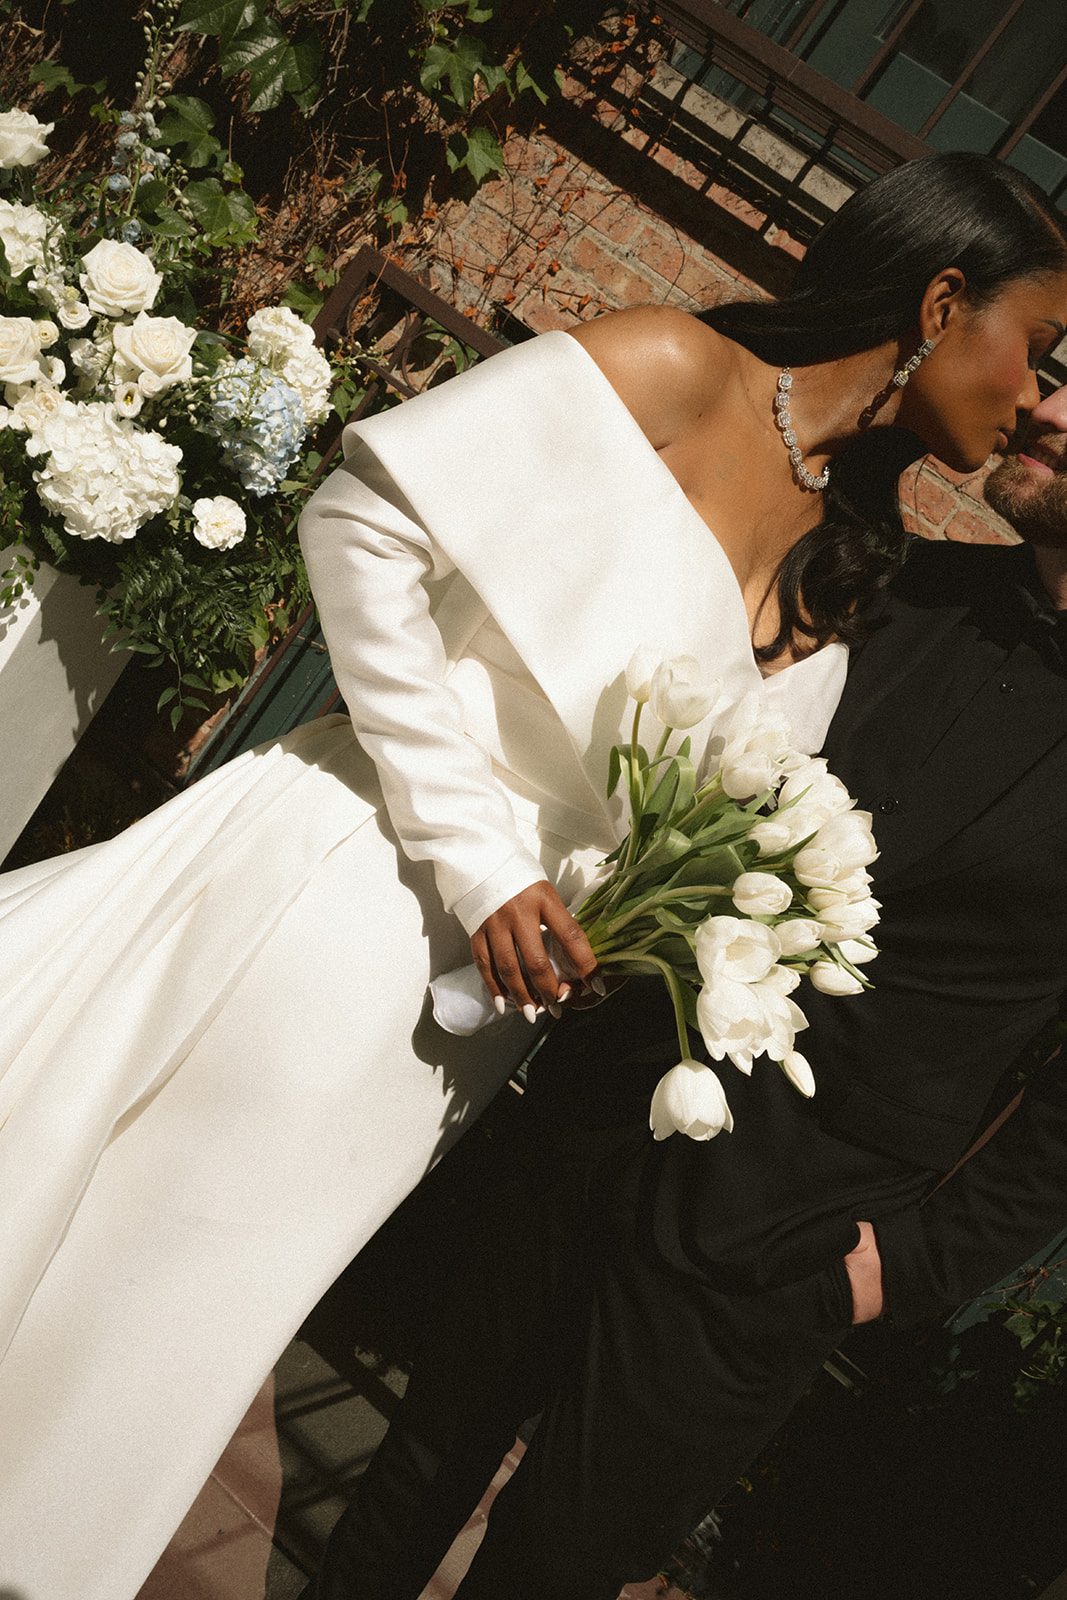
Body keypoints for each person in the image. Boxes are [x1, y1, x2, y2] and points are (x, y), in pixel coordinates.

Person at [0, 152, 1063, 1599]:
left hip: (474, 1033)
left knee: (198, 1332)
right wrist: (485, 859)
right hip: (347, 889)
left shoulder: (858, 556)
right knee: (116, 1274)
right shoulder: (678, 363)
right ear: (944, 302)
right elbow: (357, 521)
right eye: (1041, 353)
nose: (1039, 397)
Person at [297, 203, 1067, 1595]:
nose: (1047, 408)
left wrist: (895, 1268)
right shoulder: (899, 588)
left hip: (786, 1246)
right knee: (410, 1473)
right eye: (1054, 367)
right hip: (603, 1114)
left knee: (552, 1569)